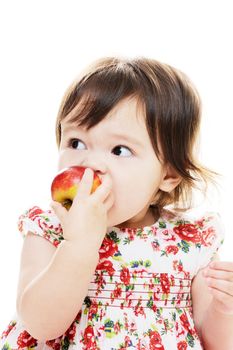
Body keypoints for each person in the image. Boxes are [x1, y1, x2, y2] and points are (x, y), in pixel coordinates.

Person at [0, 57, 232, 350]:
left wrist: (224, 310)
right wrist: (78, 245)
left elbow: (214, 341)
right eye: (76, 143)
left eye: (119, 150)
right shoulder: (51, 229)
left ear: (169, 175)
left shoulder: (190, 241)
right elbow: (40, 324)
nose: (91, 163)